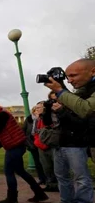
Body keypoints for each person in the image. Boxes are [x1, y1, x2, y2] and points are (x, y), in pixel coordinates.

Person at [43, 59, 95, 202]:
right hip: (62, 142)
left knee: (81, 179)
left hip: (76, 143)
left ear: (93, 71)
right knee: (63, 178)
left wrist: (60, 91)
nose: (70, 80)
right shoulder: (83, 90)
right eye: (68, 77)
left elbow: (84, 112)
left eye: (73, 76)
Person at [0, 102, 48, 203]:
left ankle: (12, 197)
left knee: (9, 171)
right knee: (20, 171)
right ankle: (39, 193)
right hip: (15, 146)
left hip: (15, 145)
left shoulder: (2, 114)